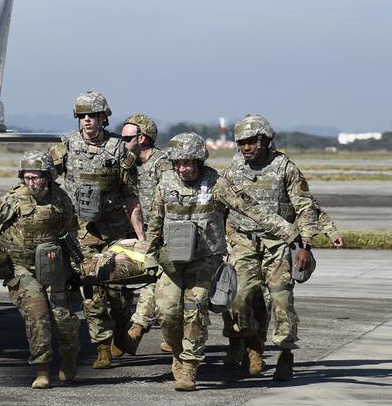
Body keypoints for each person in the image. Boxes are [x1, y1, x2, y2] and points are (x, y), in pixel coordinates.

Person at [145, 132, 302, 391]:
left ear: (198, 162)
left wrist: (287, 230)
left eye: (188, 162)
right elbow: (155, 222)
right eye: (179, 163)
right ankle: (176, 352)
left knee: (195, 309)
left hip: (206, 259)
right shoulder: (165, 183)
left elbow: (251, 208)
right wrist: (149, 255)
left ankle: (190, 367)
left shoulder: (216, 183)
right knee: (167, 313)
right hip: (172, 259)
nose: (183, 168)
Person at [0, 151, 82, 389]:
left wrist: (78, 264)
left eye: (36, 177)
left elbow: (71, 230)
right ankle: (42, 370)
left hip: (53, 268)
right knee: (37, 316)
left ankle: (70, 356)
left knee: (63, 319)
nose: (31, 182)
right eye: (27, 177)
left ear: (48, 177)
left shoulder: (61, 199)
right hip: (21, 269)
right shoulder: (13, 200)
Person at [221, 114, 319, 381]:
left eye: (250, 142)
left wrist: (305, 246)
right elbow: (221, 204)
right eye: (241, 143)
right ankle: (252, 343)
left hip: (278, 246)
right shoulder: (234, 168)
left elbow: (305, 208)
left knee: (281, 301)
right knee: (237, 299)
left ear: (264, 140)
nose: (245, 148)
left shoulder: (284, 167)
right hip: (243, 242)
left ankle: (285, 354)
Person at [49, 91, 143, 369]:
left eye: (92, 116)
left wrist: (140, 235)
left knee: (118, 293)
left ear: (104, 118)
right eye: (82, 116)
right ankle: (101, 346)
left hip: (116, 232)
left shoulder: (118, 149)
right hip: (82, 233)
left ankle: (122, 324)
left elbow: (130, 194)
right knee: (91, 289)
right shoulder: (67, 145)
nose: (87, 121)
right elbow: (44, 177)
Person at [118, 114, 172, 355]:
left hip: (167, 235)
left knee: (158, 281)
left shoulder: (163, 164)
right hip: (142, 234)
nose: (122, 143)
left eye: (126, 138)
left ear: (142, 138)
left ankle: (138, 330)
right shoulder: (129, 166)